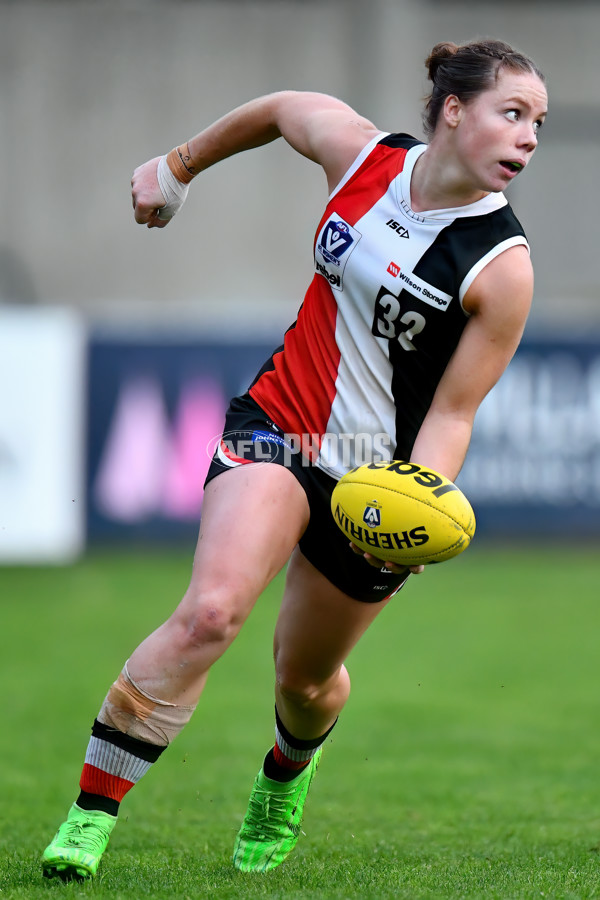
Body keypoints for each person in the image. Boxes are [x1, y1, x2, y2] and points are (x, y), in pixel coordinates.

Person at [42, 39, 547, 881]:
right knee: (210, 613)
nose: (529, 137)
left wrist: (418, 503)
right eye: (512, 113)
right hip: (280, 426)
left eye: (536, 122)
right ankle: (90, 818)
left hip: (374, 479)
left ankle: (285, 773)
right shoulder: (364, 156)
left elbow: (453, 411)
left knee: (305, 682)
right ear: (454, 110)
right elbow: (281, 109)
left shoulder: (503, 270)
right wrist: (177, 166)